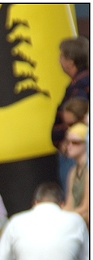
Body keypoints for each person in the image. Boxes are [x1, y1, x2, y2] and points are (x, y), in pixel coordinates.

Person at [52, 37, 90, 189]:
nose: (59, 60)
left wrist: (69, 141)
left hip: (74, 153)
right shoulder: (82, 81)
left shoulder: (79, 86)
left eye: (61, 56)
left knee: (74, 192)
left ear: (70, 60)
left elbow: (79, 111)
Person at [63, 122, 89, 227]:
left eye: (75, 142)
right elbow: (70, 203)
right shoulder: (73, 171)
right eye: (67, 142)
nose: (69, 146)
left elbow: (86, 207)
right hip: (78, 220)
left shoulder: (88, 170)